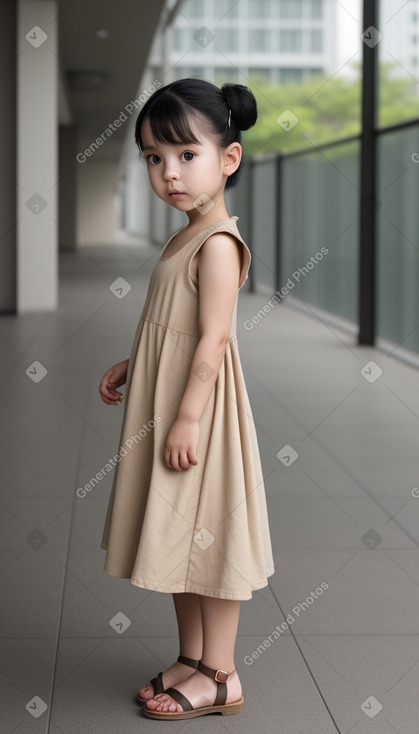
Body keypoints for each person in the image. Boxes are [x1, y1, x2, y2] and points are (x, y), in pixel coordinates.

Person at [99, 77, 275, 720]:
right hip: (168, 402)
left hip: (197, 416)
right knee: (179, 535)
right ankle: (194, 657)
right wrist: (137, 361)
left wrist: (189, 418)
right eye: (154, 157)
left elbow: (213, 340)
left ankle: (223, 675)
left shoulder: (219, 243)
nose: (169, 172)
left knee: (211, 541)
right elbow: (170, 326)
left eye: (186, 155)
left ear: (228, 159)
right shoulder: (181, 236)